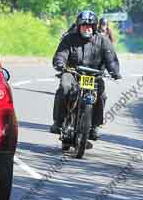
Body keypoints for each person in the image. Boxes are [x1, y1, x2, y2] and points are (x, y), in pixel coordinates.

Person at [49, 9, 121, 141]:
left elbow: (111, 58)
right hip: (72, 73)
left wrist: (114, 71)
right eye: (84, 25)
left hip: (94, 76)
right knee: (64, 88)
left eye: (89, 26)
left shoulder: (103, 41)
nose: (86, 28)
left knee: (102, 95)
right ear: (79, 26)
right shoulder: (69, 39)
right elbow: (61, 54)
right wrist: (60, 64)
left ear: (94, 27)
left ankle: (94, 127)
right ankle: (58, 122)